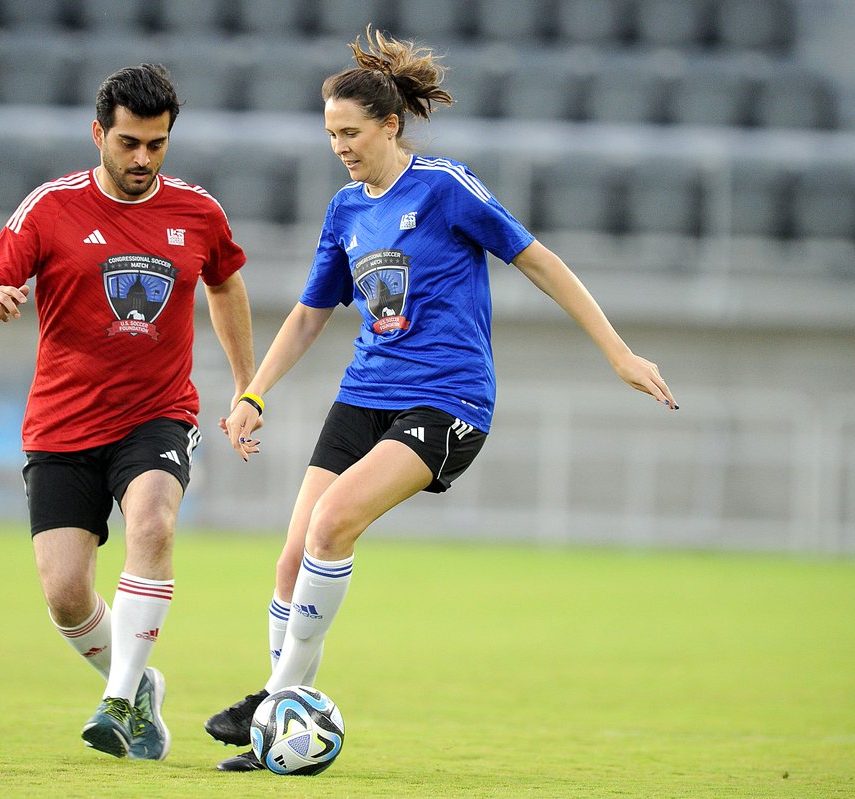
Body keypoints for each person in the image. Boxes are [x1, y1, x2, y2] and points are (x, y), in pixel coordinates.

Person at [203, 28, 679, 771]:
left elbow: (540, 260)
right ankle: (278, 720)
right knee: (294, 559)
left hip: (447, 399)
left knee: (332, 526)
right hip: (364, 394)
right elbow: (308, 315)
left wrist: (617, 351)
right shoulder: (344, 210)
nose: (341, 147)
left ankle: (272, 703)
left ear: (391, 125)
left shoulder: (447, 187)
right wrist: (255, 391)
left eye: (352, 132)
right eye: (331, 134)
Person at [0, 64, 255, 761]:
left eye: (156, 145)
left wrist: (248, 385)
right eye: (128, 142)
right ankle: (138, 681)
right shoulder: (49, 207)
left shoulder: (198, 212)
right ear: (98, 132)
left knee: (153, 521)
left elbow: (225, 285)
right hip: (62, 425)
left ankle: (118, 697)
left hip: (158, 414)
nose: (142, 159)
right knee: (67, 595)